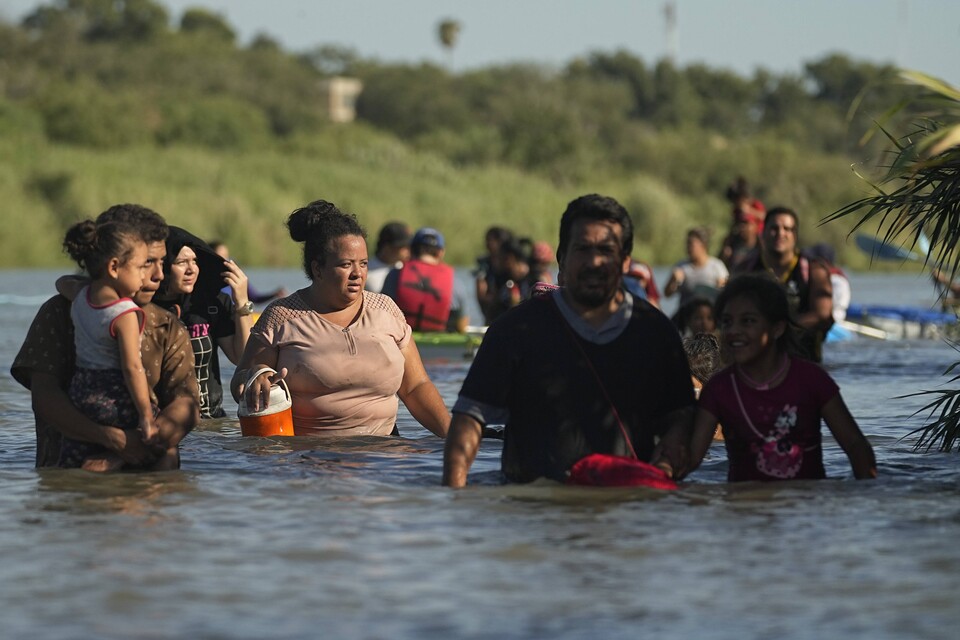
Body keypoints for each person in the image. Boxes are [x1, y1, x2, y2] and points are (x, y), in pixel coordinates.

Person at [442, 194, 696, 488]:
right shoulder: (515, 330)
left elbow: (681, 417)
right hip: (534, 513)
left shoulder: (655, 332)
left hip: (629, 514)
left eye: (606, 250)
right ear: (562, 258)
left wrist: (665, 465)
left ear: (626, 261)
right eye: (582, 249)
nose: (594, 262)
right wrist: (454, 501)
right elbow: (470, 420)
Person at [230, 199, 449, 438]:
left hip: (385, 460)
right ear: (318, 269)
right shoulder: (281, 316)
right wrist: (257, 375)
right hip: (310, 459)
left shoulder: (387, 310)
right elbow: (240, 381)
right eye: (346, 264)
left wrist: (453, 435)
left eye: (363, 264)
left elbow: (416, 387)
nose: (357, 274)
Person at [11, 204, 199, 470]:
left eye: (162, 262)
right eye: (148, 263)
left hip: (145, 475)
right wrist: (114, 440)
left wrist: (131, 449)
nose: (159, 275)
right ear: (115, 264)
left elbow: (186, 405)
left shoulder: (168, 326)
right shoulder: (59, 312)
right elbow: (44, 396)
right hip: (68, 471)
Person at [686, 273, 876, 481]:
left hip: (804, 507)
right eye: (727, 322)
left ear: (777, 328)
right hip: (742, 509)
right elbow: (690, 458)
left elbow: (856, 447)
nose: (734, 331)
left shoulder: (811, 381)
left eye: (748, 321)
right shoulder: (719, 390)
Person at [58, 218, 157, 470]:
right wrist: (146, 415)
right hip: (114, 398)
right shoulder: (124, 313)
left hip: (80, 395)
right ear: (114, 267)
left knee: (75, 455)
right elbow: (132, 368)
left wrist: (92, 284)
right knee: (162, 431)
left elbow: (61, 282)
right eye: (140, 267)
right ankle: (112, 460)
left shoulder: (80, 296)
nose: (146, 276)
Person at [154, 227, 252, 419]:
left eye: (195, 261)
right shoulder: (145, 307)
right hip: (163, 421)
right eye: (181, 262)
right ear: (163, 266)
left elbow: (242, 358)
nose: (191, 269)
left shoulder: (210, 302)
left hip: (210, 421)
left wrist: (241, 302)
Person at [734, 206, 834, 362]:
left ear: (795, 235)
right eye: (774, 228)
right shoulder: (746, 269)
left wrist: (780, 330)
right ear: (763, 232)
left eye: (787, 229)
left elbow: (822, 314)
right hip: (756, 361)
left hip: (804, 359)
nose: (780, 233)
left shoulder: (814, 270)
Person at [382, 227, 464, 332]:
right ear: (440, 253)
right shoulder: (455, 281)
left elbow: (381, 314)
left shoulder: (395, 274)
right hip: (440, 344)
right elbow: (462, 324)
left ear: (411, 250)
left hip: (401, 341)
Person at [663, 227, 729, 307]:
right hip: (686, 314)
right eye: (687, 244)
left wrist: (720, 287)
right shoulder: (681, 266)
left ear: (703, 245)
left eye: (691, 244)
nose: (688, 248)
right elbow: (667, 294)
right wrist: (673, 281)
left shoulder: (717, 266)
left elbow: (725, 292)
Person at [209, 240, 287, 304]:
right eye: (221, 255)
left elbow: (255, 298)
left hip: (233, 317)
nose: (225, 259)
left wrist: (274, 294)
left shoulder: (236, 276)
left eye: (226, 255)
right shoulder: (203, 277)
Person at [719, 176, 766, 270]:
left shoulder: (755, 205)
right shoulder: (736, 211)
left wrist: (749, 210)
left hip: (758, 234)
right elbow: (734, 224)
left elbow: (764, 216)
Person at [475, 226, 513, 324]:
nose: (487, 244)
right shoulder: (484, 265)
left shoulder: (512, 264)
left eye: (490, 241)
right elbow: (481, 294)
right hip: (492, 312)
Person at [806, 242, 851, 323]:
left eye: (812, 260)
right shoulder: (834, 278)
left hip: (834, 321)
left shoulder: (836, 281)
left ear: (823, 262)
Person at [365, 221, 412, 293]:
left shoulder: (405, 268)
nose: (409, 250)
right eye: (403, 247)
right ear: (387, 248)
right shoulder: (367, 272)